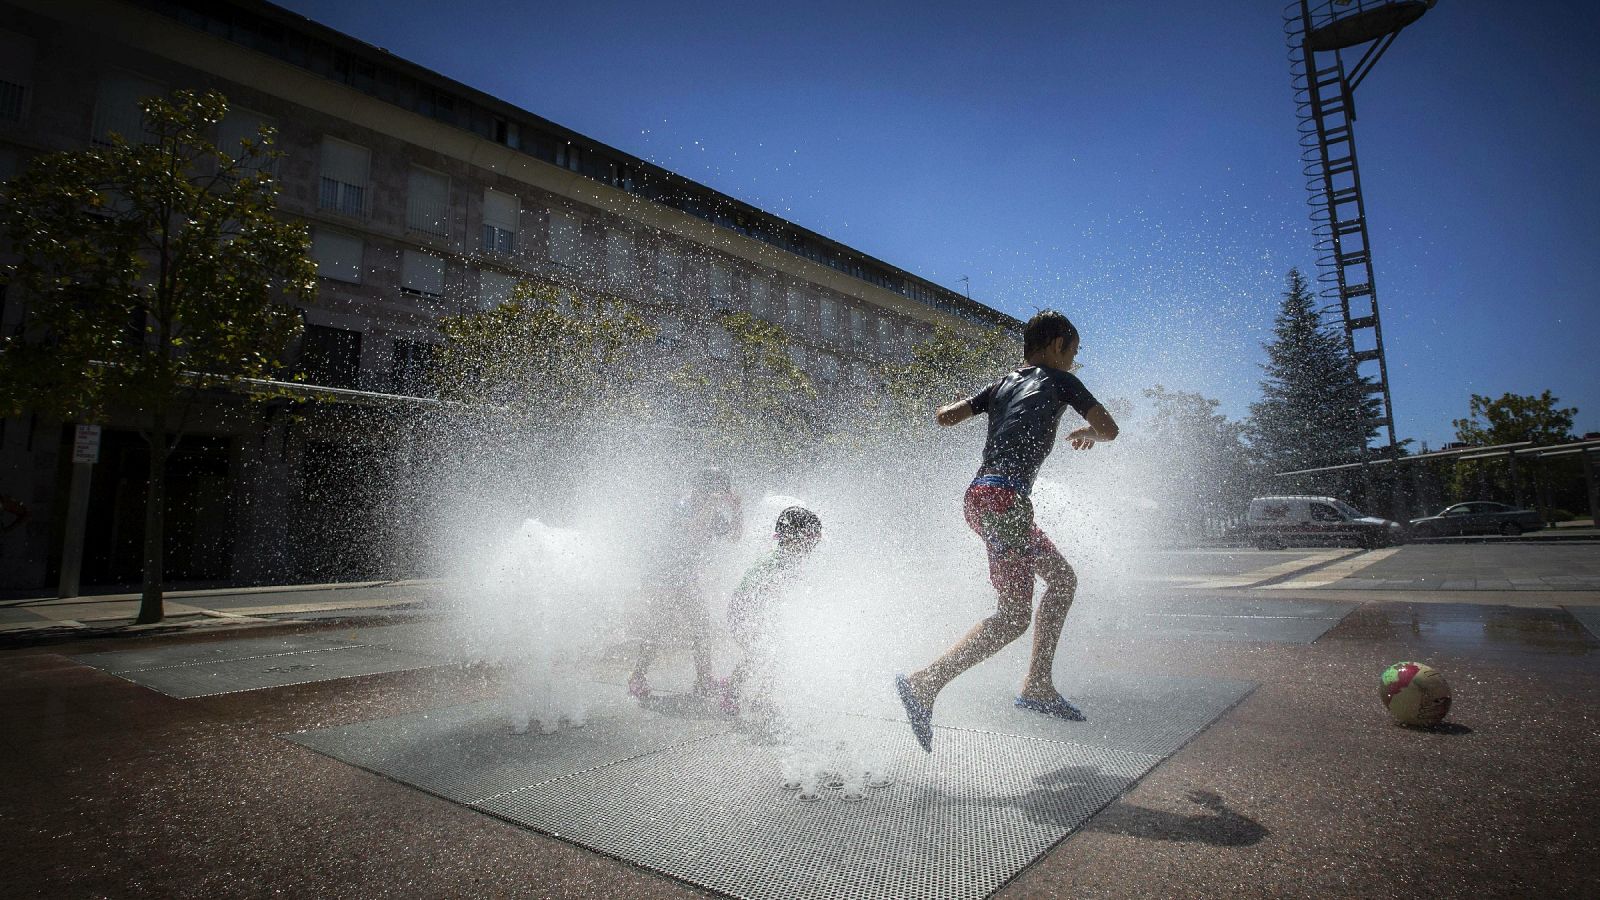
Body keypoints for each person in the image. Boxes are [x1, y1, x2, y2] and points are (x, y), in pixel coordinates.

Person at [895, 310, 1119, 752]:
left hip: (981, 497)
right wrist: (1090, 432)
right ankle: (926, 682)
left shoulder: (1001, 383)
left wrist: (958, 402)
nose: (1074, 362)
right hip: (1005, 502)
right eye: (1073, 353)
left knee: (1060, 580)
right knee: (1015, 614)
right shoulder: (1061, 381)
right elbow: (1110, 429)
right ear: (1057, 345)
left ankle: (1036, 681)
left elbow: (946, 417)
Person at [629, 467, 743, 700]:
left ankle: (703, 681)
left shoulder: (711, 511)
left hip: (685, 576)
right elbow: (691, 531)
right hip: (663, 574)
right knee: (659, 628)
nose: (719, 496)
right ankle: (637, 677)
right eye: (716, 491)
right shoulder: (682, 505)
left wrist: (737, 509)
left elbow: (734, 537)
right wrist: (712, 505)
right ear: (703, 489)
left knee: (701, 627)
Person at [721, 506, 823, 719]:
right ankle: (730, 691)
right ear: (794, 538)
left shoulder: (791, 560)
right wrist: (765, 621)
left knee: (781, 651)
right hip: (743, 613)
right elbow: (758, 596)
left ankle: (763, 697)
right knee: (759, 653)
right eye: (810, 541)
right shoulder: (776, 562)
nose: (812, 547)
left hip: (757, 612)